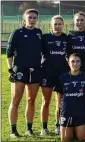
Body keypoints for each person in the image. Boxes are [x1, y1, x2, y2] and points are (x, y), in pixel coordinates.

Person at [6, 9, 45, 137]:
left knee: (31, 101)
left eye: (34, 18)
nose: (32, 20)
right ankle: (13, 130)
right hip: (20, 71)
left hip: (35, 71)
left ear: (37, 19)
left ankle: (29, 129)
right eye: (30, 17)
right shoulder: (17, 33)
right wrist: (10, 69)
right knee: (16, 100)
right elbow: (9, 53)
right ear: (24, 19)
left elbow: (43, 52)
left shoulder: (39, 33)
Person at [40, 15, 68, 136]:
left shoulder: (67, 38)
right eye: (55, 24)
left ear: (63, 25)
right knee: (46, 101)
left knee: (60, 102)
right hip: (47, 73)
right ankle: (44, 128)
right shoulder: (45, 37)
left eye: (59, 24)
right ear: (51, 25)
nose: (57, 26)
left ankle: (58, 125)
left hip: (62, 74)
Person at [55, 53, 85, 141]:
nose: (75, 64)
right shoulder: (62, 78)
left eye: (78, 61)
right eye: (73, 61)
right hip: (66, 112)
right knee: (65, 139)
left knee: (82, 138)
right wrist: (61, 109)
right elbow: (59, 96)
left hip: (81, 112)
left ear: (81, 63)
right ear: (68, 63)